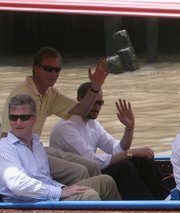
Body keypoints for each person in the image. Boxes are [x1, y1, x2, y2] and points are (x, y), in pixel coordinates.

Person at [1, 47, 107, 186]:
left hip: (36, 147)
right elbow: (5, 137)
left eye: (57, 70)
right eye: (48, 69)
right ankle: (81, 202)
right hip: (20, 154)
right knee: (79, 171)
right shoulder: (22, 94)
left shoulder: (50, 94)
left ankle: (99, 204)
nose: (53, 74)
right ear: (36, 69)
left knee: (92, 166)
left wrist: (95, 87)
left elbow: (82, 110)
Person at [49, 82, 167, 200]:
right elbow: (92, 162)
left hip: (92, 171)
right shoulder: (66, 127)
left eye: (100, 103)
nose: (97, 107)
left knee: (141, 159)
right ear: (79, 100)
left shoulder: (93, 124)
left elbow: (117, 149)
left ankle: (166, 199)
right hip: (76, 178)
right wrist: (131, 152)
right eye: (94, 102)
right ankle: (146, 207)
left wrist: (129, 128)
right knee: (124, 167)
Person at [0, 94, 121, 202]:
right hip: (29, 205)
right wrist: (60, 192)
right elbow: (17, 185)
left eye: (24, 117)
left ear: (34, 119)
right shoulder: (5, 146)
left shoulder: (36, 144)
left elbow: (45, 179)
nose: (18, 123)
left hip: (48, 197)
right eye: (13, 118)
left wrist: (63, 188)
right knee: (89, 195)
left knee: (105, 182)